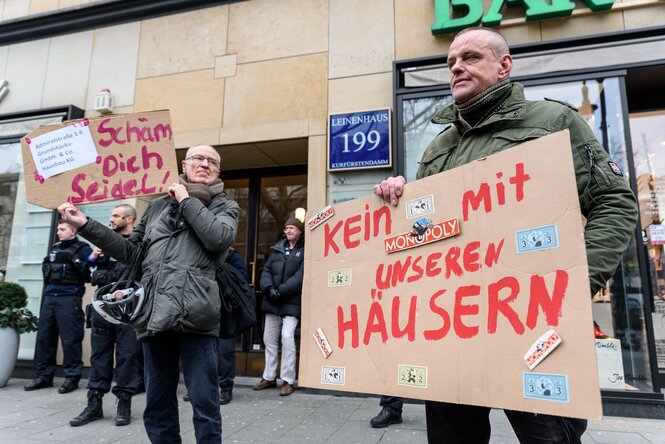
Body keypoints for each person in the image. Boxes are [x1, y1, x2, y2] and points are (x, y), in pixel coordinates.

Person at [373, 27, 638, 444]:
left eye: (471, 57)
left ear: (504, 66)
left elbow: (614, 203)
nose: (457, 66)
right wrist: (401, 202)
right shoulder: (438, 147)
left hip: (533, 325)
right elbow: (422, 236)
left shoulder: (554, 121)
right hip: (453, 329)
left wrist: (575, 281)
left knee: (549, 438)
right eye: (451, 63)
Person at [58, 144, 239, 444]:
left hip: (197, 315)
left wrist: (185, 201)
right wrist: (85, 225)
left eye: (212, 161)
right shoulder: (156, 207)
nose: (205, 164)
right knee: (157, 401)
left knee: (204, 401)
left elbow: (218, 238)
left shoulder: (226, 206)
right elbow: (130, 252)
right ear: (185, 165)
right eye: (198, 159)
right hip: (154, 314)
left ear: (218, 171)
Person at [70, 204, 141, 427]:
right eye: (111, 215)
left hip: (127, 313)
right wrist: (91, 258)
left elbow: (134, 277)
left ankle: (124, 404)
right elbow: (83, 275)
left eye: (116, 216)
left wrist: (105, 275)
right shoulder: (102, 246)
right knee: (98, 358)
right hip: (102, 311)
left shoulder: (138, 245)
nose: (112, 219)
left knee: (127, 357)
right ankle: (94, 405)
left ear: (129, 219)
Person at [25, 220, 92, 394]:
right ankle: (44, 376)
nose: (58, 232)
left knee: (70, 339)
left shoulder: (83, 249)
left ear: (73, 231)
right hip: (50, 297)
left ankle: (72, 378)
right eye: (57, 229)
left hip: (69, 297)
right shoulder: (55, 248)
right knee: (44, 337)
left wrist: (78, 262)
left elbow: (89, 274)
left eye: (62, 229)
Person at [183, 247, 247, 405]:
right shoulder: (198, 253)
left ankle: (226, 387)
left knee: (225, 351)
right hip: (202, 308)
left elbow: (240, 278)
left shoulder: (232, 255)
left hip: (224, 310)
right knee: (199, 352)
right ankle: (198, 388)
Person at [253, 217, 304, 397]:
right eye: (286, 228)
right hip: (272, 301)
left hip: (290, 301)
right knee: (269, 339)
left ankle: (288, 380)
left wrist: (280, 291)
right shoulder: (276, 249)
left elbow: (300, 276)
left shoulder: (304, 250)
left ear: (299, 231)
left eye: (292, 228)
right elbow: (266, 271)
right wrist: (268, 288)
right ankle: (269, 376)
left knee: (287, 337)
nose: (288, 231)